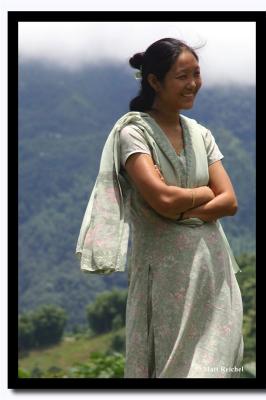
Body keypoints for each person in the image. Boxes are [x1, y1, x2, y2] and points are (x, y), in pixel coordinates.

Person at [75, 37, 244, 378]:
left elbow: (230, 201)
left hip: (213, 273)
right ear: (154, 81)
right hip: (164, 279)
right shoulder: (133, 134)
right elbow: (162, 200)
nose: (193, 83)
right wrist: (202, 193)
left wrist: (180, 206)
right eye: (183, 76)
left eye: (197, 74)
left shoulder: (201, 135)